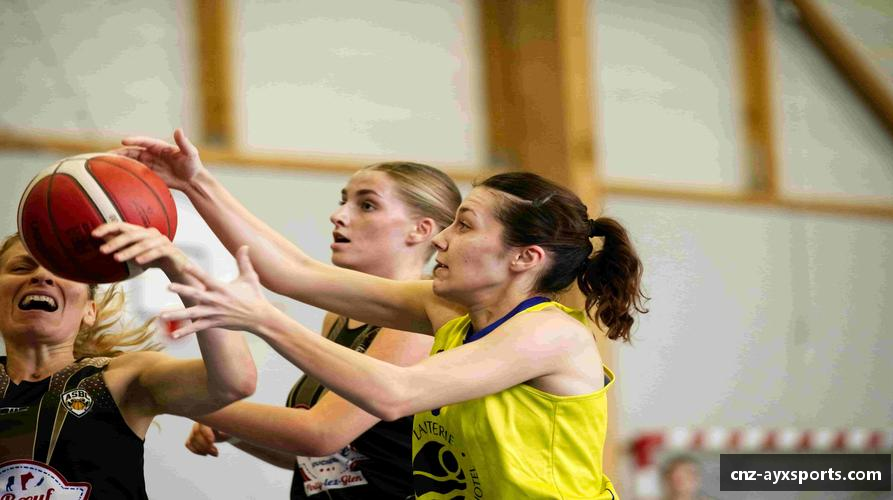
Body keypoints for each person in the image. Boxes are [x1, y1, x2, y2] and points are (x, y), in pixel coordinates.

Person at [128, 131, 647, 498]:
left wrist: (261, 322)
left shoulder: (550, 333)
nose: (442, 238)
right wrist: (196, 183)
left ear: (524, 258)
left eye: (464, 226)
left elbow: (394, 394)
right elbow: (293, 272)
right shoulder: (447, 310)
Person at [118, 130, 461, 499]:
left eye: (366, 205)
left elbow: (320, 433)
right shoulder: (338, 318)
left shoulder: (417, 329)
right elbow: (328, 461)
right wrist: (236, 432)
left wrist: (177, 398)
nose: (338, 215)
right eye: (343, 200)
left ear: (421, 230)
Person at [0, 223, 256, 500]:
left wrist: (179, 267)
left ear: (90, 310)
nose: (42, 276)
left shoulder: (119, 378)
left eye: (62, 270)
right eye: (21, 268)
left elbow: (235, 381)